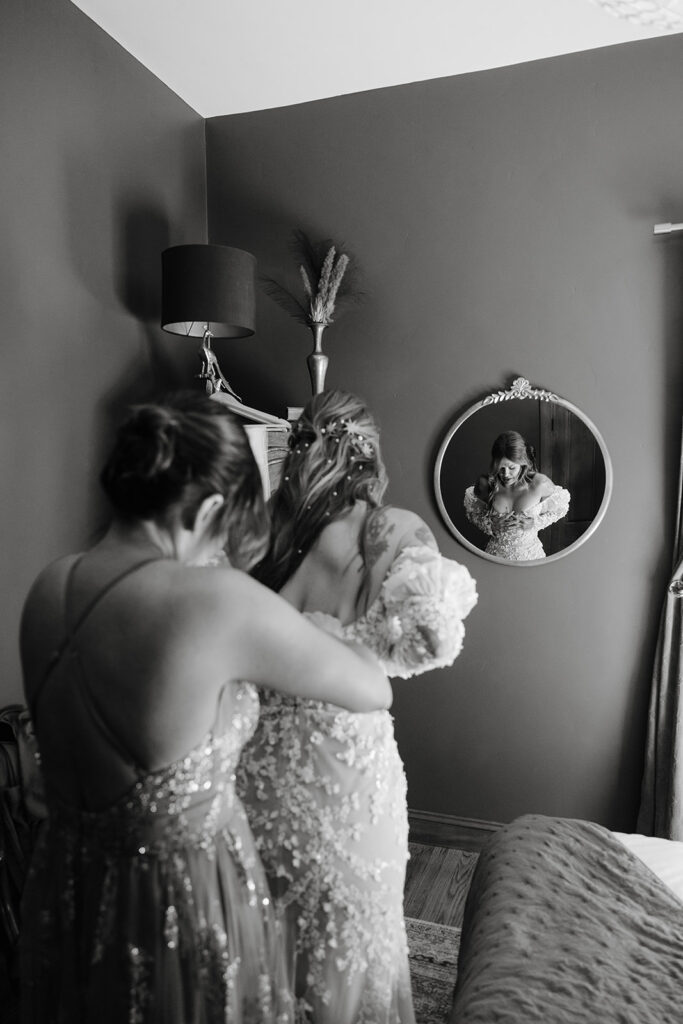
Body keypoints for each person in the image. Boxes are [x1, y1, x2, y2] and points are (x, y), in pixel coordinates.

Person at [18, 392, 391, 1024]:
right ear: (211, 509)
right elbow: (371, 687)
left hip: (68, 884)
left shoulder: (49, 585)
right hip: (178, 899)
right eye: (224, 532)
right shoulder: (210, 602)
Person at [237, 390, 477, 1024]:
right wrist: (372, 643)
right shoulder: (389, 529)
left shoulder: (263, 533)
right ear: (368, 452)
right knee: (347, 950)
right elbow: (433, 638)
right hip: (346, 787)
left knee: (262, 947)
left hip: (252, 778)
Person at [463, 430, 571, 560]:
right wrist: (490, 525)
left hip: (531, 557)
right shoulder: (486, 484)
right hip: (495, 557)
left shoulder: (540, 483)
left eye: (511, 468)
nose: (506, 474)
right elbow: (473, 513)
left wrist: (535, 523)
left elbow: (561, 507)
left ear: (522, 463)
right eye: (501, 468)